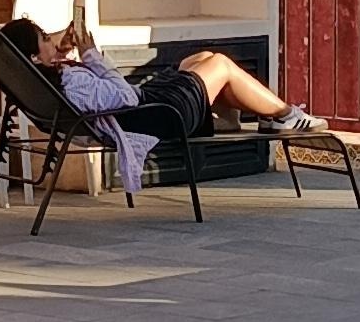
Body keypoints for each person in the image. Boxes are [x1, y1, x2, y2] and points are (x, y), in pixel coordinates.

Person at [30, 20, 328, 193]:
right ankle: (286, 115)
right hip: (154, 114)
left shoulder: (52, 80)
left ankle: (230, 117)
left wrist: (65, 56)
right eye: (44, 39)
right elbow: (125, 97)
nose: (50, 39)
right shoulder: (70, 82)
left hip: (147, 108)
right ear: (34, 57)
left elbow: (108, 97)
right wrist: (90, 54)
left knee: (198, 60)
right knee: (220, 64)